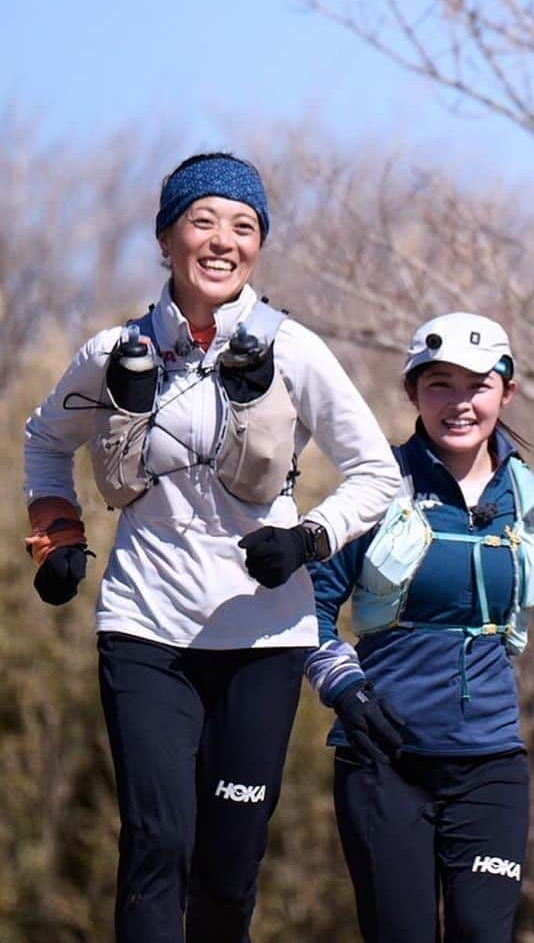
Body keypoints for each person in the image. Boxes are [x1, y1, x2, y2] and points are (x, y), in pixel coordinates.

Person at [23, 152, 401, 943]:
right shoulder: (110, 351)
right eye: (203, 220)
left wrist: (307, 539)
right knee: (157, 844)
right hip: (145, 627)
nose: (223, 240)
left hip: (263, 637)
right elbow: (44, 440)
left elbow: (378, 475)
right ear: (166, 238)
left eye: (244, 225)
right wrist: (56, 530)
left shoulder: (293, 348)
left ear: (259, 243)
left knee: (228, 871)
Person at [305, 311, 534, 942]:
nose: (459, 404)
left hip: (490, 764)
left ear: (506, 392)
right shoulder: (376, 487)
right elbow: (308, 610)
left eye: (477, 385)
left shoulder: (533, 497)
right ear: (411, 391)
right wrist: (344, 688)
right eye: (439, 384)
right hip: (384, 760)